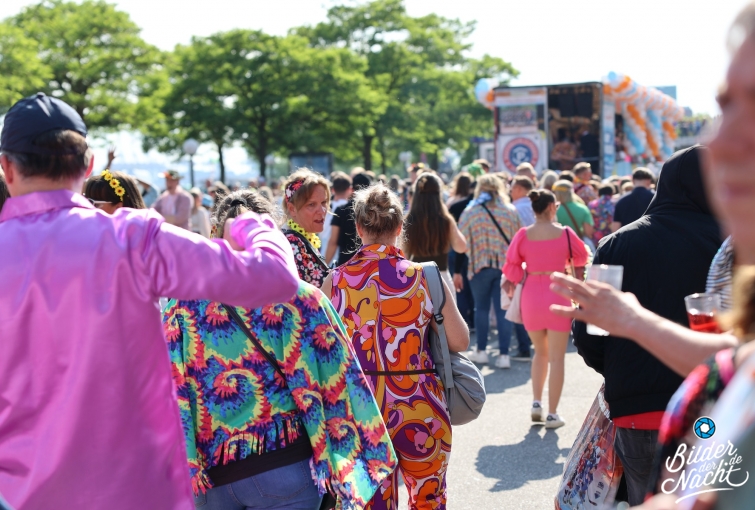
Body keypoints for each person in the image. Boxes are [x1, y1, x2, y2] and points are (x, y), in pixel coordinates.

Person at [0, 93, 300, 509]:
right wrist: (251, 225)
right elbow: (275, 277)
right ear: (88, 166)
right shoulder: (133, 239)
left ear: (7, 167)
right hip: (138, 492)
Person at [163, 190, 397, 509]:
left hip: (214, 476)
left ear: (216, 234)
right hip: (288, 466)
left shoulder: (181, 305)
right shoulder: (299, 296)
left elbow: (168, 387)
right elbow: (341, 379)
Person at [570, 146, 722, 506]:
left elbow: (591, 331)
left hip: (638, 409)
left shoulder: (616, 244)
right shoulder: (730, 245)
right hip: (715, 408)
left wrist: (620, 372)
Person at [321, 183, 470, 510]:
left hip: (362, 409)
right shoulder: (425, 276)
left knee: (370, 504)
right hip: (420, 403)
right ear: (400, 227)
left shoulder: (335, 282)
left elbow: (323, 354)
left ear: (359, 228)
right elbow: (460, 340)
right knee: (429, 501)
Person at [503, 190, 588, 429]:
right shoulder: (566, 233)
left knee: (540, 353)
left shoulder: (523, 234)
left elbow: (511, 267)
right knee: (557, 358)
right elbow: (582, 257)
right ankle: (552, 414)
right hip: (558, 292)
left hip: (531, 294)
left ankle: (536, 403)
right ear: (551, 207)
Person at [458, 174, 523, 368]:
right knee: (504, 309)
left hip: (479, 266)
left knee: (481, 308)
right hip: (506, 268)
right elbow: (519, 239)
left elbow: (461, 242)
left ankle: (481, 351)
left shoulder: (471, 212)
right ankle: (504, 355)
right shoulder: (510, 211)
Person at [402, 173, 467, 299]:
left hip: (416, 279)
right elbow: (462, 247)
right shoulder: (446, 220)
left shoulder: (408, 220)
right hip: (442, 279)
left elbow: (403, 255)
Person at [281, 169, 331, 288]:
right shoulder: (293, 243)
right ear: (292, 209)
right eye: (311, 204)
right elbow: (297, 296)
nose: (322, 211)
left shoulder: (303, 238)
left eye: (324, 202)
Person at [326, 172, 373, 267]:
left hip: (345, 265)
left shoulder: (340, 210)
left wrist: (325, 265)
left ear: (352, 189)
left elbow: (333, 241)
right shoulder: (374, 212)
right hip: (369, 265)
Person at [610, 167, 654, 232]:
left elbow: (615, 228)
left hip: (627, 237)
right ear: (649, 181)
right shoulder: (655, 198)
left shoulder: (621, 201)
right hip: (651, 236)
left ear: (633, 180)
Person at [320, 171, 352, 261]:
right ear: (349, 189)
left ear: (333, 190)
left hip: (323, 251)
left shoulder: (324, 207)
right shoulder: (349, 209)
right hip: (340, 255)